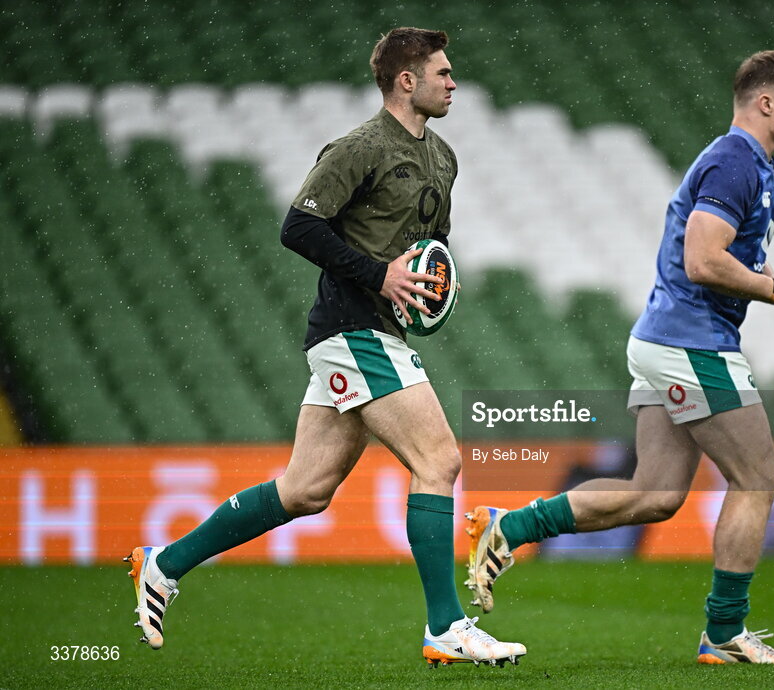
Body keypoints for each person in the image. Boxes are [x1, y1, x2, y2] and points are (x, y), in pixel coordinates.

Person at [125, 27, 525, 668]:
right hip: (350, 328)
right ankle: (446, 627)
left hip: (375, 331)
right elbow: (298, 226)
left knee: (305, 490)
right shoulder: (360, 147)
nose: (453, 82)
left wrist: (420, 287)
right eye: (442, 72)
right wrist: (380, 277)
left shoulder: (444, 157)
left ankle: (163, 565)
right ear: (406, 80)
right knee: (440, 460)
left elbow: (430, 248)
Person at [465, 50, 774, 665]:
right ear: (765, 102)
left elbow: (735, 256)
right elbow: (702, 259)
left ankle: (511, 527)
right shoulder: (733, 161)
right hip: (693, 342)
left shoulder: (765, 172)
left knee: (655, 494)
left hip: (667, 340)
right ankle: (724, 634)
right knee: (757, 479)